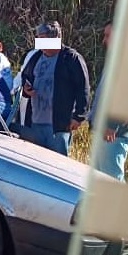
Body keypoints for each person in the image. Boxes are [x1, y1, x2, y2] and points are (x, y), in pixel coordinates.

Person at [19, 21, 90, 156]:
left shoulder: (71, 58)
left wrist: (78, 116)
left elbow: (83, 88)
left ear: (55, 38)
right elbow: (25, 77)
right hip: (35, 124)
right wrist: (26, 88)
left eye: (43, 39)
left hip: (58, 127)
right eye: (38, 38)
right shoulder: (36, 57)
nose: (39, 43)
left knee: (58, 165)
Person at [88, 21, 128, 181]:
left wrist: (112, 125)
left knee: (111, 178)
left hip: (114, 131)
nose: (104, 40)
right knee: (100, 176)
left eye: (107, 36)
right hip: (106, 128)